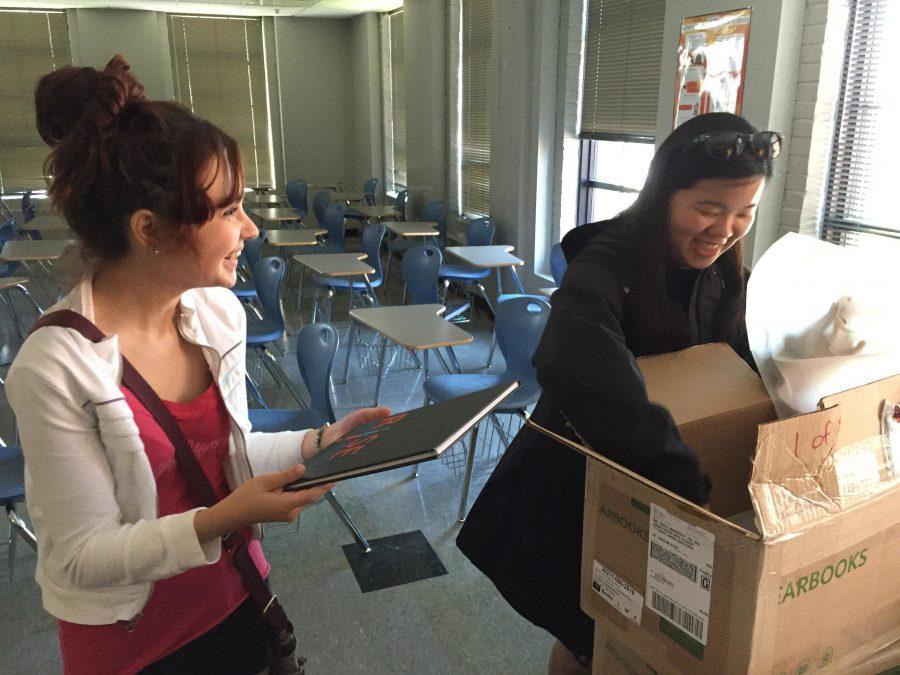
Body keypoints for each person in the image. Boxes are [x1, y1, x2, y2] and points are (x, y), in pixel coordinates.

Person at [6, 55, 389, 674]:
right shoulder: (55, 366)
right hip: (137, 645)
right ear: (151, 230)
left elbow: (224, 455)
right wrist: (222, 520)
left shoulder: (214, 314)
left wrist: (318, 445)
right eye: (228, 210)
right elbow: (79, 557)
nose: (250, 229)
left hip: (240, 598)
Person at [456, 113, 782, 674]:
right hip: (589, 479)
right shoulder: (606, 262)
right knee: (590, 630)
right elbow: (583, 366)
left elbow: (748, 366)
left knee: (635, 634)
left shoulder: (729, 275)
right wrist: (686, 478)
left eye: (744, 212)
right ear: (662, 196)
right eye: (708, 207)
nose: (725, 229)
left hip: (669, 488)